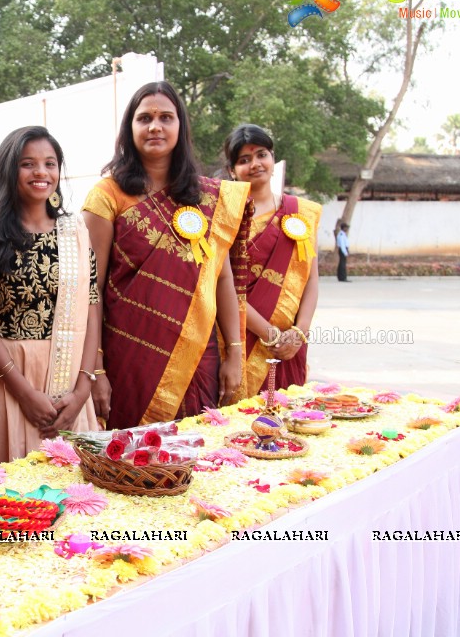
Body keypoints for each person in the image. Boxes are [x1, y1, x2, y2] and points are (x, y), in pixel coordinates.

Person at [82, 81, 248, 428]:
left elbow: (222, 277)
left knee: (198, 458)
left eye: (165, 117)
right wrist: (95, 369)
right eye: (144, 118)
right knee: (134, 461)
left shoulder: (209, 198)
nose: (155, 126)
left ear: (180, 126)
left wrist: (235, 351)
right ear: (130, 129)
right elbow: (90, 290)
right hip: (129, 358)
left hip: (198, 355)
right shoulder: (107, 196)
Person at [0, 126, 101, 461]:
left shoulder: (76, 232)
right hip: (8, 377)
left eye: (50, 163)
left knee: (76, 490)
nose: (41, 172)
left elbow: (92, 310)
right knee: (17, 495)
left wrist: (83, 389)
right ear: (8, 169)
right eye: (28, 164)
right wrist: (24, 392)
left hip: (71, 380)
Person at [224, 124, 320, 394]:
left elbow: (311, 279)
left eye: (261, 154)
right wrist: (271, 335)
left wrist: (299, 333)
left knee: (287, 424)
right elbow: (225, 287)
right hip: (240, 340)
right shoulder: (225, 218)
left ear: (273, 159)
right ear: (233, 171)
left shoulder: (301, 212)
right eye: (244, 160)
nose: (255, 164)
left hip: (291, 345)